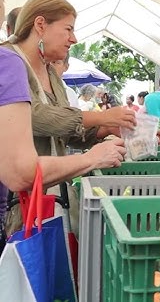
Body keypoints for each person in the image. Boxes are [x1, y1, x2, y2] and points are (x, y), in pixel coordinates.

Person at [0, 46, 126, 235]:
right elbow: (38, 118)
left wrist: (105, 128)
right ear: (40, 25)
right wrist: (92, 154)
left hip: (43, 191)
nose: (72, 39)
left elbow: (65, 133)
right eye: (67, 28)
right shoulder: (10, 62)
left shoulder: (51, 77)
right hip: (26, 195)